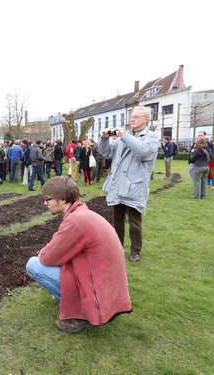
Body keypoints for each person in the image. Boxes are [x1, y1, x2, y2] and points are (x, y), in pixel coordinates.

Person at [25, 176, 132, 333]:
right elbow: (60, 248)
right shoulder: (83, 213)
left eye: (48, 199)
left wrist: (43, 252)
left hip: (98, 292)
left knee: (34, 265)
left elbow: (49, 257)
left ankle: (80, 315)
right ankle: (75, 303)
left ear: (62, 200)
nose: (45, 203)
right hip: (108, 288)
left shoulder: (75, 221)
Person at [99, 106, 159, 262]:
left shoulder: (151, 137)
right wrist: (104, 139)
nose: (132, 119)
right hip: (118, 185)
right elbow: (105, 153)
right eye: (132, 116)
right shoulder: (122, 138)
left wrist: (124, 136)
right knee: (117, 220)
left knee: (134, 222)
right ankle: (117, 248)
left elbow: (144, 152)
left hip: (134, 186)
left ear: (146, 119)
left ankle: (135, 251)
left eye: (137, 117)